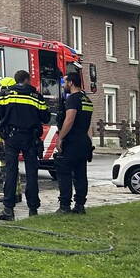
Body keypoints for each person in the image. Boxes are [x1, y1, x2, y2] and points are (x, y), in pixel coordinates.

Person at [0, 69, 50, 220]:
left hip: (12, 137)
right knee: (32, 173)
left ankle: (8, 210)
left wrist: (4, 135)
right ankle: (33, 209)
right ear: (27, 80)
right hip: (30, 138)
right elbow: (46, 117)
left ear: (15, 79)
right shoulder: (36, 96)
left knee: (11, 172)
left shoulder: (5, 95)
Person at [55, 71, 94, 214]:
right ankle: (80, 205)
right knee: (80, 174)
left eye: (65, 82)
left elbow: (69, 119)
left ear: (71, 83)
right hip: (83, 141)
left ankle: (64, 206)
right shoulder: (87, 100)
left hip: (72, 141)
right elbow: (89, 125)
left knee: (64, 173)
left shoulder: (73, 99)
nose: (64, 85)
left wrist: (60, 138)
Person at [0, 76, 22, 203]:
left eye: (0, 87)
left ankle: (10, 194)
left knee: (6, 170)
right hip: (12, 141)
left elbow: (0, 125)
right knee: (13, 168)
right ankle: (16, 193)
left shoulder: (3, 104)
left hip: (5, 143)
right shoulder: (14, 104)